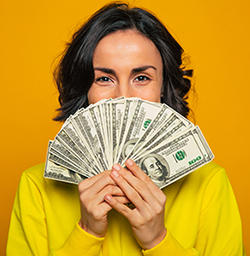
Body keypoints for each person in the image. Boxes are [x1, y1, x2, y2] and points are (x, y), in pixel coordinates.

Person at [7, 2, 245, 255]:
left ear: (163, 88)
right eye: (104, 78)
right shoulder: (37, 186)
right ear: (84, 89)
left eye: (141, 77)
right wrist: (86, 233)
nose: (123, 97)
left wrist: (158, 240)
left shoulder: (208, 183)